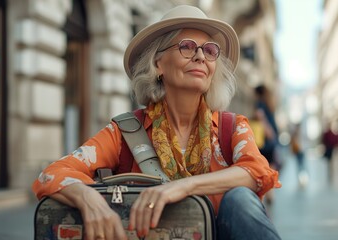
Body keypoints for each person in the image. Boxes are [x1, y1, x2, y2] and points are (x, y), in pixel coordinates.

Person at [32, 5, 281, 240]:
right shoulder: (126, 131)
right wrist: (88, 197)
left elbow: (257, 172)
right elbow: (52, 174)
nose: (200, 57)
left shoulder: (232, 127)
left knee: (239, 199)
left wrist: (184, 187)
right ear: (158, 63)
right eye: (187, 46)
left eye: (209, 50)